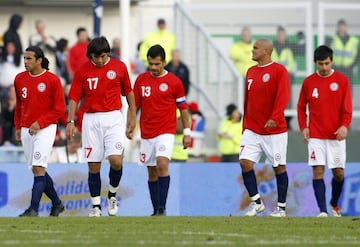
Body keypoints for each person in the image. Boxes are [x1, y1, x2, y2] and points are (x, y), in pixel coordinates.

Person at [66, 36, 136, 217]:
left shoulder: (119, 67)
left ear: (108, 54)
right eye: (96, 57)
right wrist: (71, 121)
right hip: (90, 120)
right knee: (94, 165)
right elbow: (74, 97)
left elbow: (128, 92)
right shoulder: (82, 70)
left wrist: (132, 117)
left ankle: (112, 194)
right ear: (90, 55)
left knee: (116, 160)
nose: (100, 60)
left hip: (113, 117)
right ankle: (96, 206)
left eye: (103, 56)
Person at [133, 44, 191, 216]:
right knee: (151, 172)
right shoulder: (141, 80)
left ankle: (162, 208)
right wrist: (130, 125)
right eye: (151, 64)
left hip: (166, 131)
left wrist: (187, 132)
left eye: (157, 64)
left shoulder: (174, 82)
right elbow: (135, 106)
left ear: (164, 62)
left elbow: (184, 109)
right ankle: (155, 209)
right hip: (147, 132)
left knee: (162, 164)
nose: (153, 68)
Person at [297, 45, 352, 217]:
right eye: (320, 64)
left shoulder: (342, 81)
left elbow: (347, 109)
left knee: (338, 173)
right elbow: (300, 107)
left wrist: (344, 125)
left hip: (336, 136)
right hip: (316, 135)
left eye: (327, 63)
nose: (324, 67)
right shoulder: (308, 82)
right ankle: (322, 211)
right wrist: (303, 127)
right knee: (318, 171)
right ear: (315, 63)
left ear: (332, 61)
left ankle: (334, 203)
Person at [240, 38, 290, 217]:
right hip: (252, 129)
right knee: (245, 162)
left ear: (266, 51)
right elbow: (247, 100)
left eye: (255, 48)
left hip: (274, 130)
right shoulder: (251, 72)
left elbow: (283, 96)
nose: (252, 51)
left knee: (279, 168)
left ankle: (281, 208)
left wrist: (275, 117)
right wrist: (245, 125)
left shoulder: (279, 71)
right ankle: (256, 203)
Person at [14, 46, 66, 217]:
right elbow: (20, 106)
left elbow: (59, 109)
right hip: (26, 128)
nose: (25, 62)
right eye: (24, 58)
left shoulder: (52, 80)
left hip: (46, 128)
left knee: (38, 167)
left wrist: (41, 122)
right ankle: (57, 204)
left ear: (39, 60)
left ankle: (33, 209)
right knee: (38, 169)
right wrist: (17, 126)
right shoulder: (19, 79)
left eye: (29, 59)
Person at [272, 26, 296, 130]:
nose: (281, 36)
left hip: (287, 77)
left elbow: (303, 50)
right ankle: (276, 120)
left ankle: (288, 122)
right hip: (274, 78)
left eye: (282, 34)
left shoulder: (290, 46)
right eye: (279, 34)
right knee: (275, 99)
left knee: (288, 100)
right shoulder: (272, 46)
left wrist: (301, 38)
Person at [326, 19, 359, 87]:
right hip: (335, 68)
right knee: (335, 88)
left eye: (343, 26)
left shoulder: (353, 40)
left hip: (348, 68)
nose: (342, 28)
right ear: (337, 27)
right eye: (340, 27)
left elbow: (358, 55)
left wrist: (353, 65)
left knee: (347, 89)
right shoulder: (332, 39)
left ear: (346, 27)